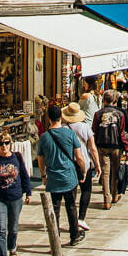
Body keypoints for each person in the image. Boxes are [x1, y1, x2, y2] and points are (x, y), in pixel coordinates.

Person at [36, 105, 88, 246]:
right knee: (71, 207)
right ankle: (74, 235)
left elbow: (41, 159)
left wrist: (43, 175)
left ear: (48, 118)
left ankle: (55, 239)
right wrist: (83, 171)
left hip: (53, 178)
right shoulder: (70, 134)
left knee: (55, 209)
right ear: (61, 117)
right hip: (69, 176)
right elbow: (79, 157)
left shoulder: (44, 138)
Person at [61, 102, 102, 230]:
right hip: (84, 162)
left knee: (71, 193)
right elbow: (93, 148)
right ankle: (81, 218)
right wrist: (97, 164)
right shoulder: (85, 127)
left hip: (69, 163)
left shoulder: (63, 129)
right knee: (86, 190)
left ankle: (72, 221)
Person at [92, 90, 128, 209]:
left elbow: (94, 130)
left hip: (102, 145)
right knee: (115, 171)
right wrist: (127, 148)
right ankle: (114, 195)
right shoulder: (120, 114)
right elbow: (121, 133)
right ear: (114, 101)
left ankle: (106, 200)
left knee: (105, 173)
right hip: (116, 146)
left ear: (104, 100)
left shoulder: (98, 114)